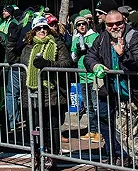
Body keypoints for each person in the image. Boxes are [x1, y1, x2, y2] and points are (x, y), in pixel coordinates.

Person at [85, 10, 138, 167]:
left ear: (125, 21)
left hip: (137, 95)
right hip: (116, 95)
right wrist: (95, 65)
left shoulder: (135, 37)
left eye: (118, 23)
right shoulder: (102, 38)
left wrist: (123, 55)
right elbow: (90, 56)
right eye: (110, 24)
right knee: (124, 136)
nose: (114, 27)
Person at [20, 16, 72, 170]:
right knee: (34, 127)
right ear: (33, 30)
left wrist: (47, 64)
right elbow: (14, 59)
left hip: (52, 93)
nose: (42, 30)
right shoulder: (27, 47)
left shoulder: (57, 44)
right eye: (38, 28)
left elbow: (67, 63)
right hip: (32, 93)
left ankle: (51, 156)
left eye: (45, 28)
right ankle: (36, 154)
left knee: (51, 127)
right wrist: (11, 42)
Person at [71, 15, 100, 142]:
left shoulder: (94, 36)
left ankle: (100, 131)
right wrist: (77, 52)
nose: (82, 26)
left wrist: (89, 50)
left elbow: (99, 53)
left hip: (94, 76)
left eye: (83, 24)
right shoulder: (75, 39)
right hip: (82, 76)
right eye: (79, 25)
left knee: (96, 105)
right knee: (88, 106)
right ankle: (92, 130)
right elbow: (73, 58)